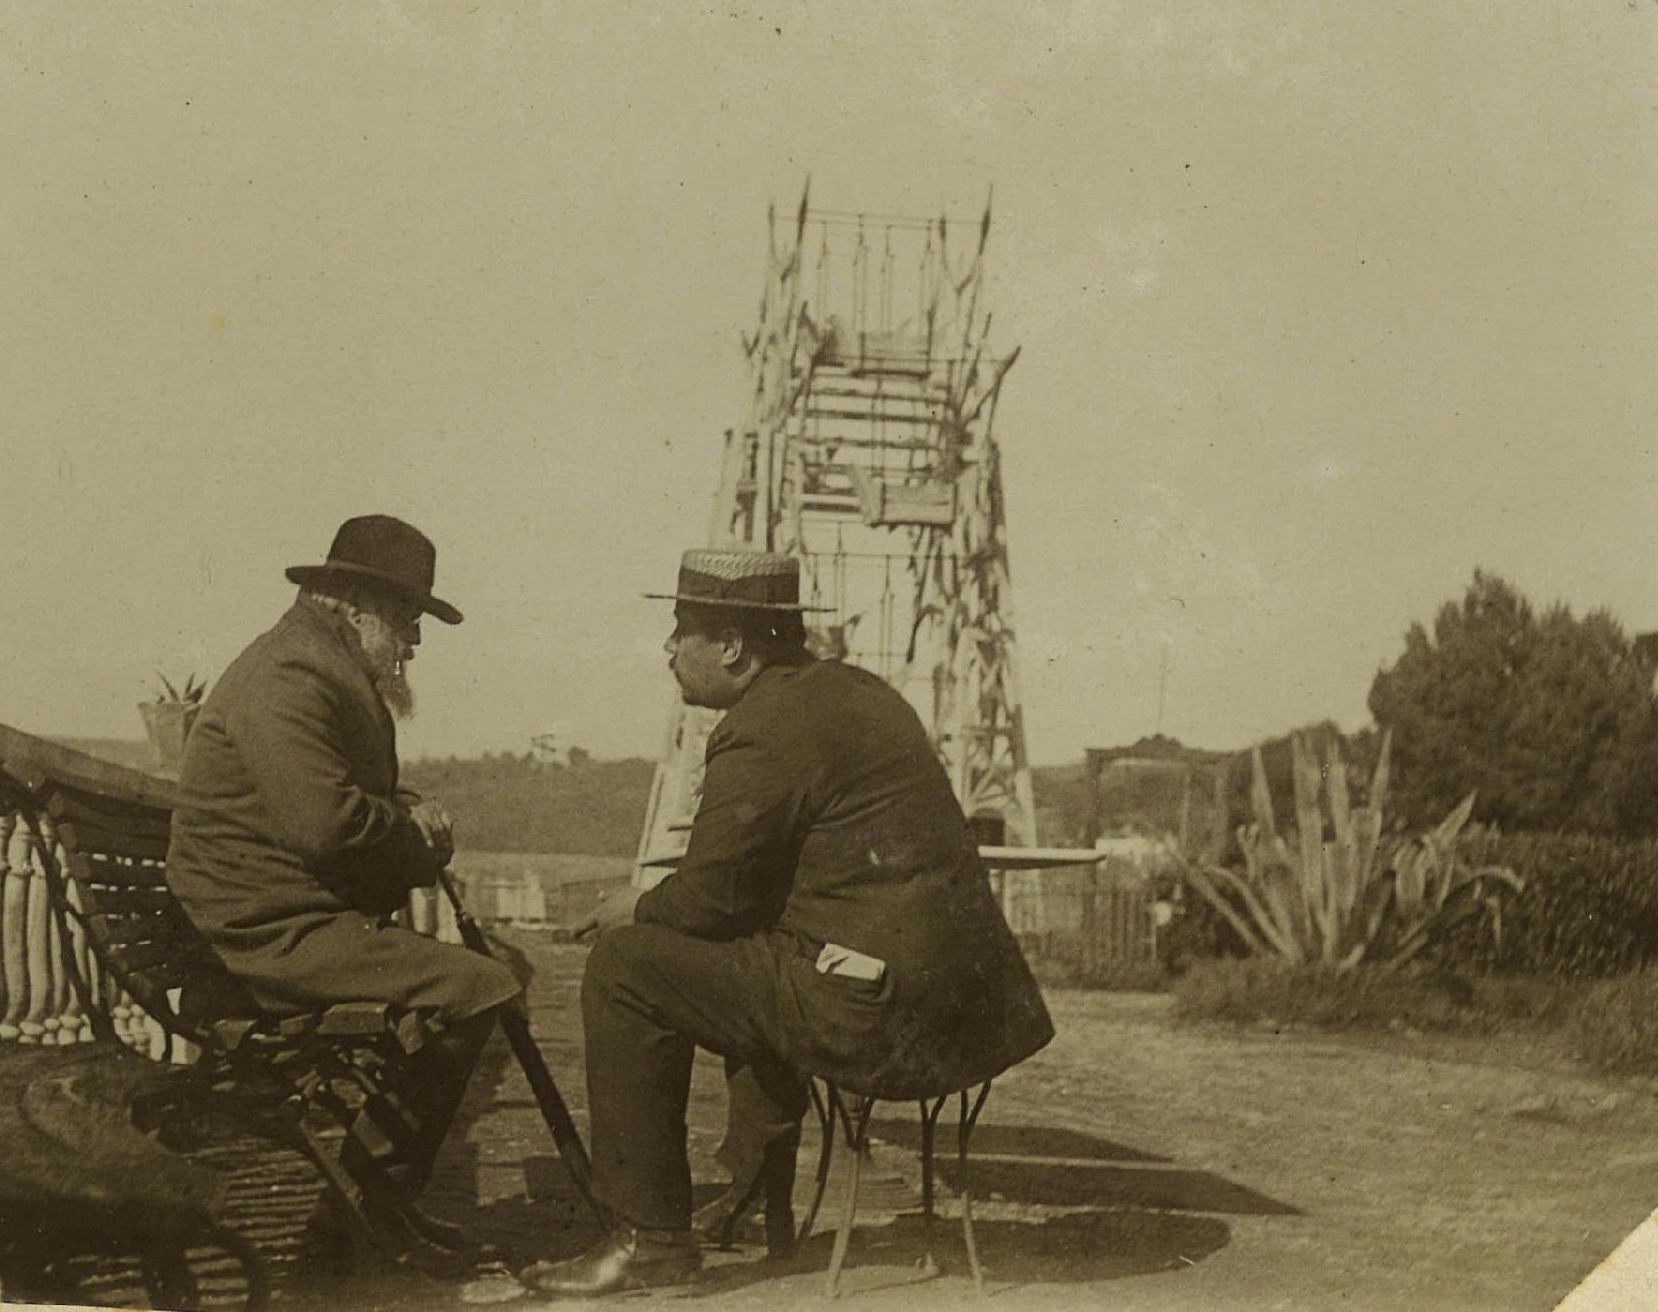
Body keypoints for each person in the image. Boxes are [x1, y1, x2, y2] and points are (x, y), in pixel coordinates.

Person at [519, 548, 1055, 1297]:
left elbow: (708, 899)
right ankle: (741, 1186)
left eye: (683, 630)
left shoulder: (761, 726)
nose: (669, 648)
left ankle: (651, 1242)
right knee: (747, 956)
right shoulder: (854, 691)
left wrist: (635, 905)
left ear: (733, 645)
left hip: (884, 1014)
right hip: (968, 1007)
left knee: (625, 967)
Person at [165, 514, 521, 1254]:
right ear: (356, 605)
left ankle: (374, 1199)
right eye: (407, 618)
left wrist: (404, 817)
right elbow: (325, 825)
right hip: (265, 939)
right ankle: (366, 1208)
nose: (414, 641)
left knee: (486, 978)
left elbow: (331, 807)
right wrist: (416, 835)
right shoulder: (292, 673)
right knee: (481, 986)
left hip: (284, 919)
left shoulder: (313, 663)